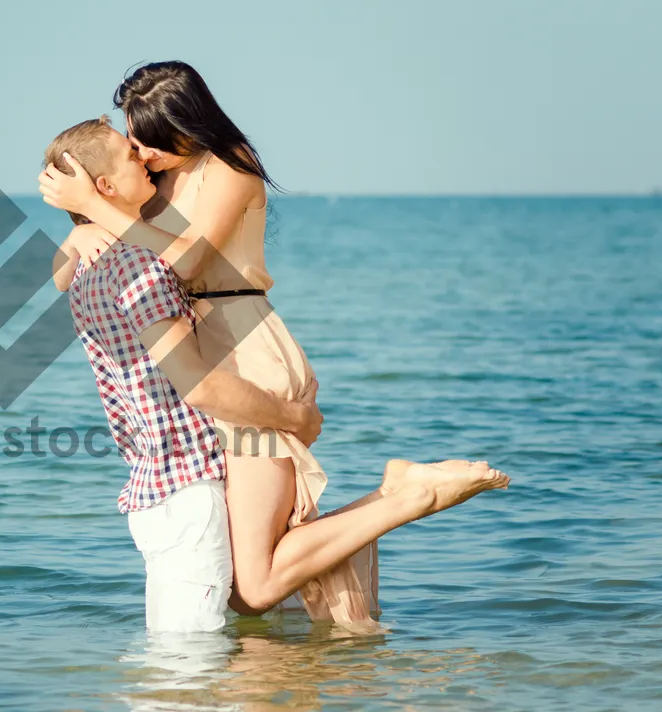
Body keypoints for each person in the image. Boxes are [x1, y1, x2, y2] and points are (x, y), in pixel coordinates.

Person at [45, 115, 510, 632]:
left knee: (252, 589)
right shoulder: (134, 234)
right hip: (211, 391)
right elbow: (75, 276)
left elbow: (184, 265)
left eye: (141, 140)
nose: (140, 152)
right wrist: (84, 225)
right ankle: (395, 496)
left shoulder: (217, 175)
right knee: (254, 587)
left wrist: (89, 212)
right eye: (129, 148)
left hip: (244, 359)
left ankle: (405, 498)